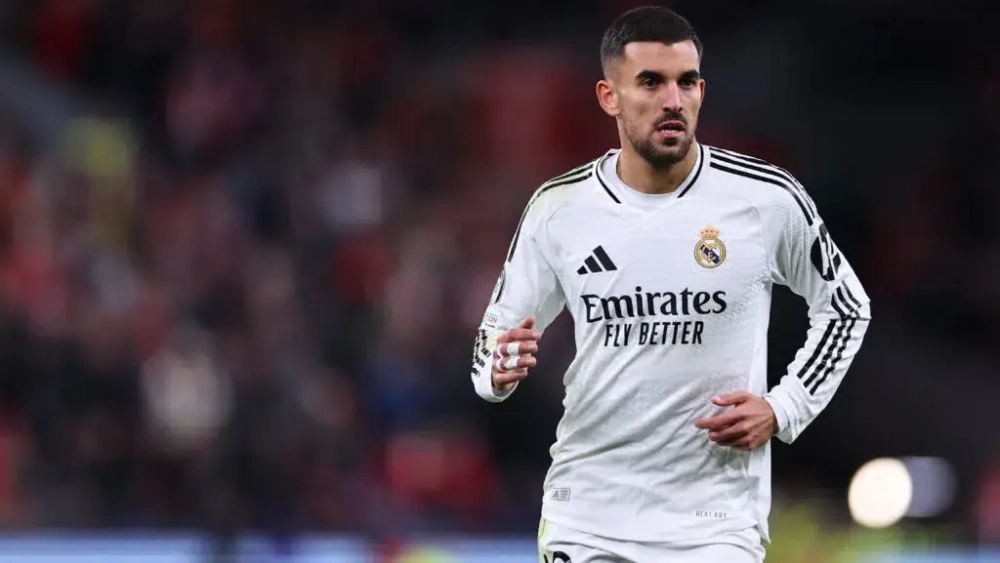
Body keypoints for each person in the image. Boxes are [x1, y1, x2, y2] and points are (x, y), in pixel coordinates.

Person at [469, 5, 871, 562]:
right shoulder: (559, 208)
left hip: (712, 525)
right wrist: (497, 369)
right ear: (609, 97)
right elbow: (493, 338)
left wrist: (785, 406)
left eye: (686, 83)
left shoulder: (764, 199)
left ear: (702, 90)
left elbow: (846, 307)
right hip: (587, 514)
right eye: (651, 82)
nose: (672, 101)